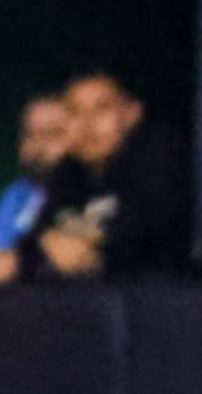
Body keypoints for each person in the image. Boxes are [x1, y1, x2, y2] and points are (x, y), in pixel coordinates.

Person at [22, 69, 192, 282]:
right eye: (74, 112)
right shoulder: (67, 171)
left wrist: (73, 247)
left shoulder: (159, 157)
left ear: (131, 113)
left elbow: (140, 236)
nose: (86, 125)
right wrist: (46, 246)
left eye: (101, 109)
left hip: (153, 303)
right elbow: (38, 237)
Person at [0, 93, 69, 290]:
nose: (38, 146)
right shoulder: (16, 195)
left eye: (52, 134)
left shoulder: (84, 197)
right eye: (30, 135)